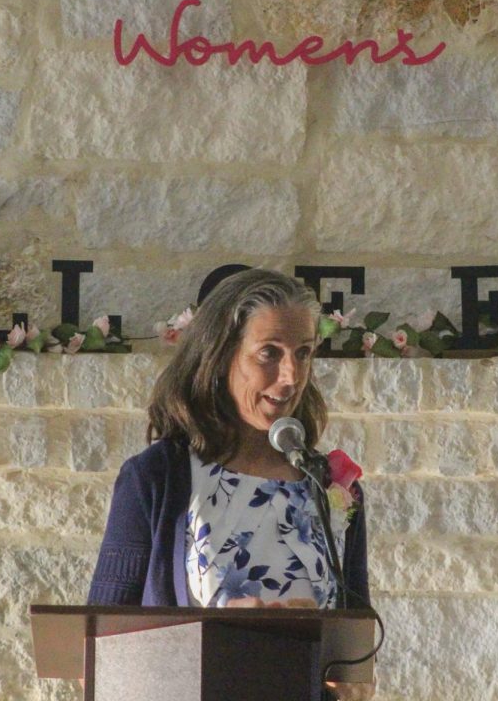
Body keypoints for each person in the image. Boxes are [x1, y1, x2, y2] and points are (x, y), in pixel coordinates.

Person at [87, 268, 372, 698]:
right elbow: (95, 650)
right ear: (221, 356)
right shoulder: (157, 479)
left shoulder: (332, 486)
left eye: (304, 352)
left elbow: (357, 656)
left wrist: (347, 684)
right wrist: (217, 636)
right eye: (269, 353)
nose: (291, 375)